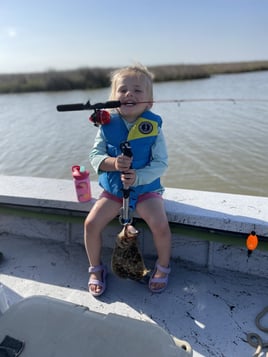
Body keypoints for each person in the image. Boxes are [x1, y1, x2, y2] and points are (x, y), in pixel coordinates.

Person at [84, 64, 172, 297]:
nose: (129, 94)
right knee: (91, 225)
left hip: (145, 190)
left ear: (150, 102)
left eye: (137, 91)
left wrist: (138, 177)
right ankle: (95, 268)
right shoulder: (106, 125)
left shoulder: (153, 127)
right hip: (114, 191)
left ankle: (163, 267)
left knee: (160, 225)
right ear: (113, 99)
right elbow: (94, 156)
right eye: (122, 90)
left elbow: (162, 163)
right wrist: (112, 163)